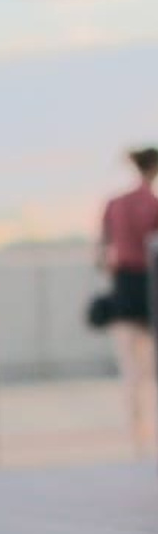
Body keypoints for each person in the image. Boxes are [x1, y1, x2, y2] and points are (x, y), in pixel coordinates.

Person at [92, 146, 158, 455]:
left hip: (122, 285)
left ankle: (137, 437)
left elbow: (101, 253)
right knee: (148, 366)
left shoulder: (114, 204)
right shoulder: (152, 204)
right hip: (148, 287)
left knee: (131, 369)